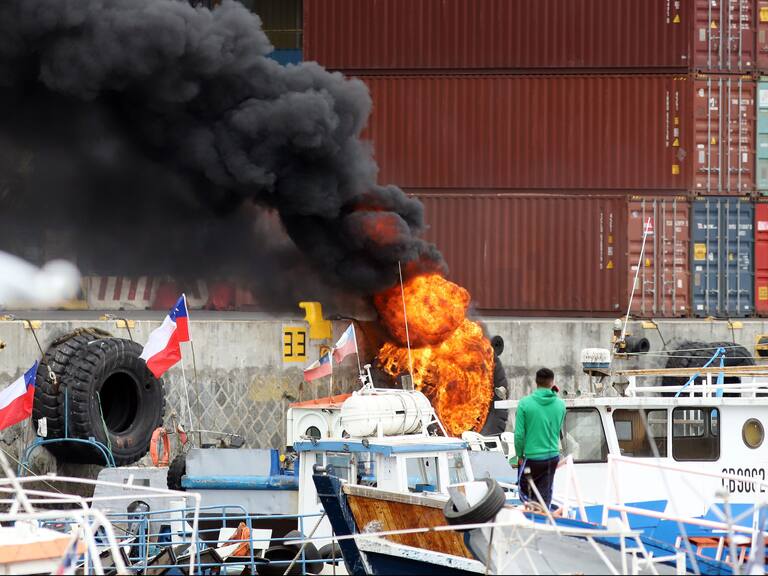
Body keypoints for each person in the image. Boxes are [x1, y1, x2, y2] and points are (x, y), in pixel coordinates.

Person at [514, 367, 565, 508]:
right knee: (545, 495)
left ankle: (531, 517)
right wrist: (554, 394)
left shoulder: (524, 403)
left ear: (536, 382)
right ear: (552, 382)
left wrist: (519, 455)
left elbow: (519, 435)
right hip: (552, 456)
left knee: (525, 493)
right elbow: (557, 428)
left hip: (532, 458)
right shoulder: (561, 404)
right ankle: (544, 518)